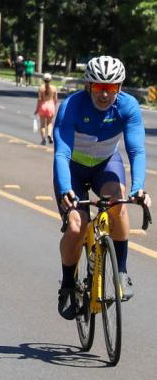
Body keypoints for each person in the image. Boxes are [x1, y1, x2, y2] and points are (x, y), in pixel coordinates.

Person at [54, 56, 151, 320]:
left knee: (118, 204)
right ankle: (67, 285)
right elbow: (61, 153)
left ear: (120, 87)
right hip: (72, 169)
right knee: (76, 226)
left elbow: (136, 150)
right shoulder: (72, 106)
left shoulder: (128, 107)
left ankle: (120, 272)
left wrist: (139, 187)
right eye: (99, 87)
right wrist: (65, 190)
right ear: (88, 86)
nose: (105, 94)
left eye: (111, 87)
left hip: (106, 165)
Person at [36, 73, 59, 145]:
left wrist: (37, 109)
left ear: (43, 80)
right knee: (49, 123)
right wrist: (55, 107)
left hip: (43, 106)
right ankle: (49, 134)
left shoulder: (41, 88)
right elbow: (55, 99)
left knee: (42, 124)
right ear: (51, 80)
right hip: (51, 106)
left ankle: (43, 139)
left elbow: (39, 99)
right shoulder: (54, 88)